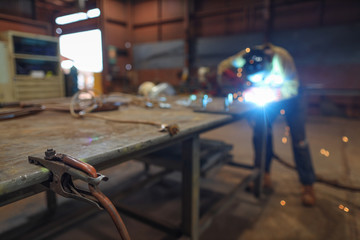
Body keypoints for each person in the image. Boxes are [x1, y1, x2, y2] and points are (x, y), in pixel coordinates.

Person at [217, 43, 316, 206]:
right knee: (260, 134)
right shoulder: (243, 58)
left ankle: (308, 185)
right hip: (267, 98)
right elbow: (222, 66)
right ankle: (263, 176)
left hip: (291, 97)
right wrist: (229, 83)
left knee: (299, 141)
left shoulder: (283, 58)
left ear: (268, 66)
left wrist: (269, 93)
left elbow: (292, 87)